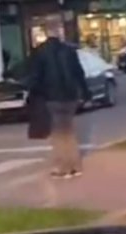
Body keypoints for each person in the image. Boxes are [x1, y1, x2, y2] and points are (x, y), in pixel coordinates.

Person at [27, 31, 91, 179]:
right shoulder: (69, 51)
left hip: (52, 97)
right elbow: (79, 73)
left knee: (57, 133)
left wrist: (34, 94)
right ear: (60, 36)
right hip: (70, 96)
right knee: (69, 130)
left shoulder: (40, 52)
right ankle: (75, 166)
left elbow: (35, 77)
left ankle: (63, 167)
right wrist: (85, 92)